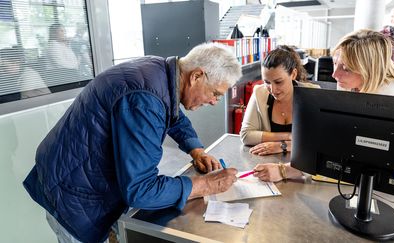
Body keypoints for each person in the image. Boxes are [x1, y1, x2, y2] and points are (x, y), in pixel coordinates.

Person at [23, 42, 242, 243]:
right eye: (215, 93)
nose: (214, 102)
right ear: (196, 76)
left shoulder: (159, 72)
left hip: (71, 171)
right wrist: (204, 185)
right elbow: (141, 189)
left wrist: (196, 150)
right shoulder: (145, 99)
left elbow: (172, 114)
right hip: (73, 196)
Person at [240, 45, 317, 182]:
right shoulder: (260, 92)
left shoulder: (313, 95)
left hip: (300, 174)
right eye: (267, 82)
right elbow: (246, 135)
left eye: (278, 82)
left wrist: (282, 145)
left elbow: (316, 144)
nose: (273, 89)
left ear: (293, 74)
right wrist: (288, 136)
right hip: (266, 171)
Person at [332, 29, 394, 99]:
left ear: (370, 69)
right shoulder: (350, 82)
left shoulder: (391, 98)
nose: (334, 75)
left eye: (346, 69)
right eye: (335, 63)